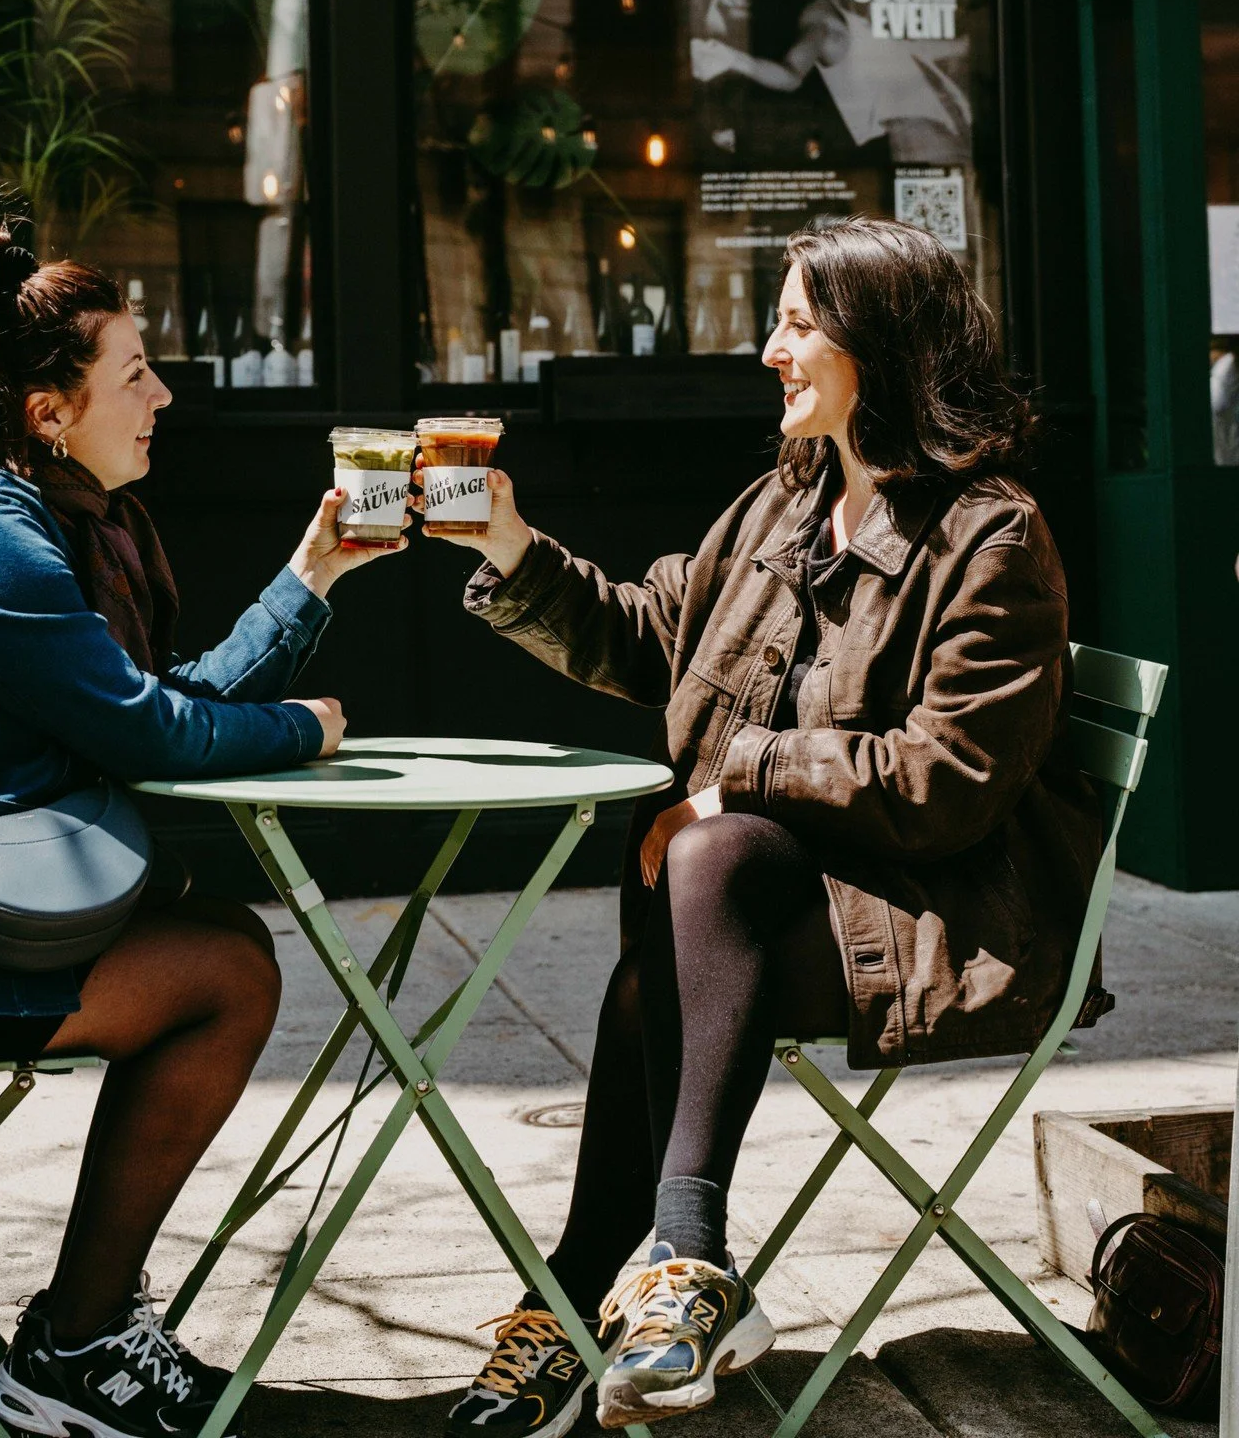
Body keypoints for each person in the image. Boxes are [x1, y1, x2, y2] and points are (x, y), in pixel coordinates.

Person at [430, 216, 1103, 1435]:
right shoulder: (783, 507)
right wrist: (506, 544)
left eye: (797, 323)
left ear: (878, 347)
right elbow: (655, 637)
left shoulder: (990, 537)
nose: (768, 351)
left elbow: (947, 777)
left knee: (709, 853)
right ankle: (629, 1286)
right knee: (673, 940)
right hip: (768, 908)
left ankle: (672, 1264)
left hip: (937, 918)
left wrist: (736, 771)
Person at [0, 180, 402, 1438]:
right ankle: (75, 1348)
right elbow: (149, 732)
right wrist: (310, 729)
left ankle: (82, 1336)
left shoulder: (34, 517)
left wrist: (310, 578)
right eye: (136, 374)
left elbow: (141, 712)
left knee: (223, 946)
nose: (163, 395)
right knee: (226, 972)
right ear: (48, 408)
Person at [692, 0, 973, 167]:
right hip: (918, 135)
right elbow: (790, 75)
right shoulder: (821, 15)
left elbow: (917, 51)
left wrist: (965, 42)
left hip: (940, 132)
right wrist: (731, 58)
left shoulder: (856, 18)